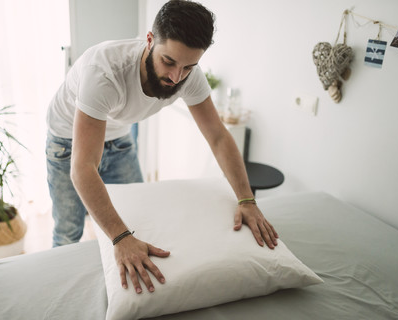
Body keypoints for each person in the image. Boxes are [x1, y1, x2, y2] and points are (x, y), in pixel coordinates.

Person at [46, 0, 278, 294]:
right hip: (66, 140)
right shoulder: (103, 70)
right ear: (149, 40)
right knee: (68, 231)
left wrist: (247, 200)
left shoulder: (187, 75)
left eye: (188, 66)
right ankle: (58, 293)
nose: (175, 78)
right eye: (168, 62)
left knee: (136, 220)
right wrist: (120, 239)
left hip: (119, 137)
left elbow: (218, 136)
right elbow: (82, 168)